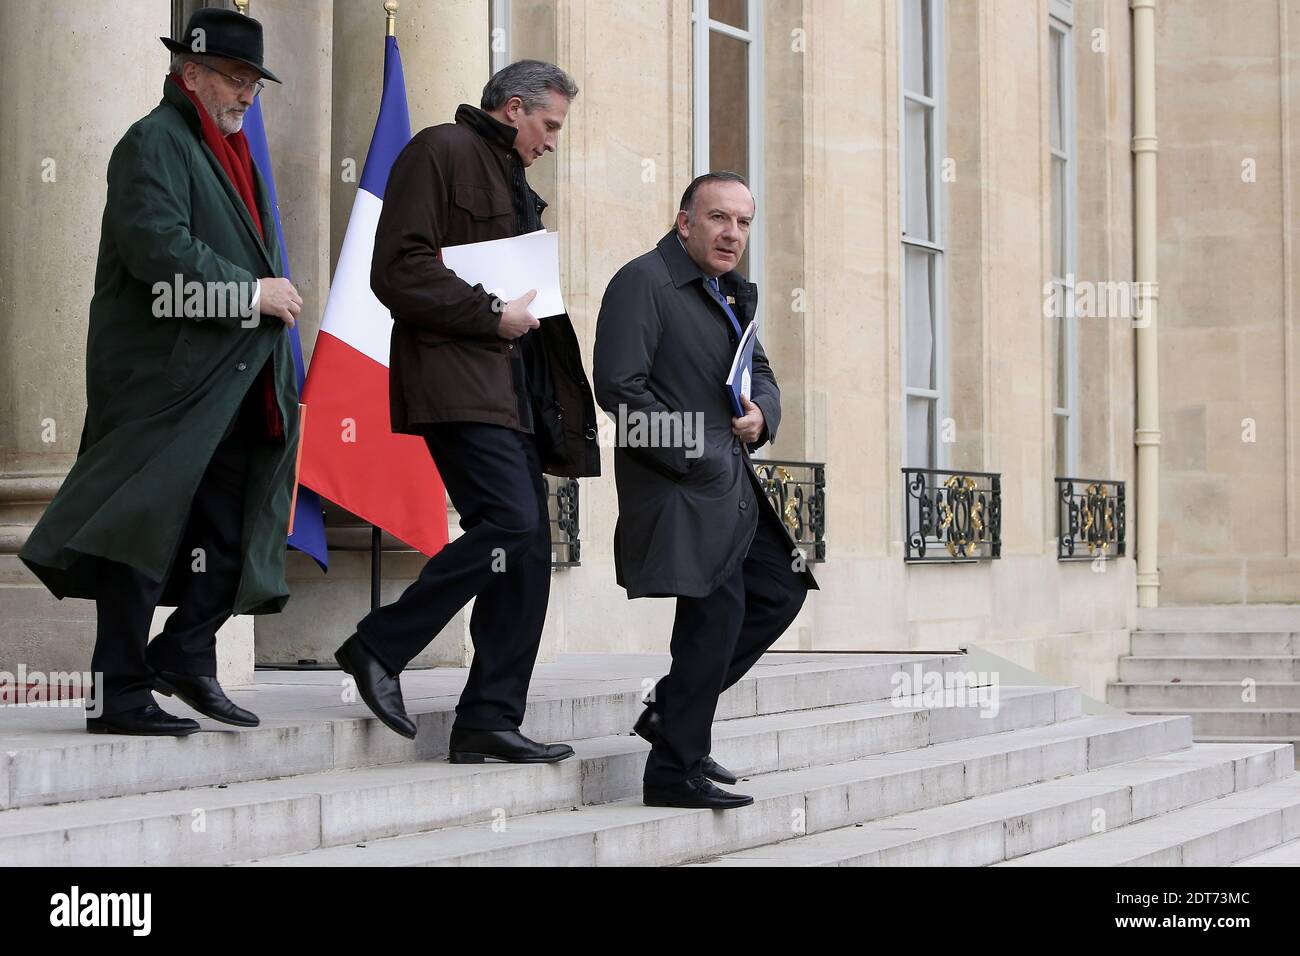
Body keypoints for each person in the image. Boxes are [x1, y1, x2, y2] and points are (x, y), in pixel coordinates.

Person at [20, 8, 302, 736]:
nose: (246, 95)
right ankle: (116, 695)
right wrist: (251, 294)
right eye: (235, 79)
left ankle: (184, 653)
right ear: (191, 74)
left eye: (254, 83)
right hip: (165, 381)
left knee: (232, 528)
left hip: (233, 377)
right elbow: (158, 252)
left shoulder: (228, 148)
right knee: (139, 534)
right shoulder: (153, 141)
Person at [335, 60, 601, 763]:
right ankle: (377, 645)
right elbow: (395, 268)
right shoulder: (439, 151)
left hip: (510, 393)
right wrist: (488, 314)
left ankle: (488, 718)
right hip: (457, 382)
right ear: (515, 108)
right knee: (510, 526)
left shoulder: (518, 184)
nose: (552, 142)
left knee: (527, 554)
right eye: (549, 125)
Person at [593, 172, 818, 808]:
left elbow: (762, 372)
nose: (733, 234)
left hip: (729, 485)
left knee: (779, 591)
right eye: (719, 218)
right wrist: (702, 453)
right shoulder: (643, 282)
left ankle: (670, 713)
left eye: (744, 223)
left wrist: (761, 417)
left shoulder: (724, 292)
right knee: (712, 616)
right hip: (682, 486)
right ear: (685, 222)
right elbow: (620, 392)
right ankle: (672, 772)